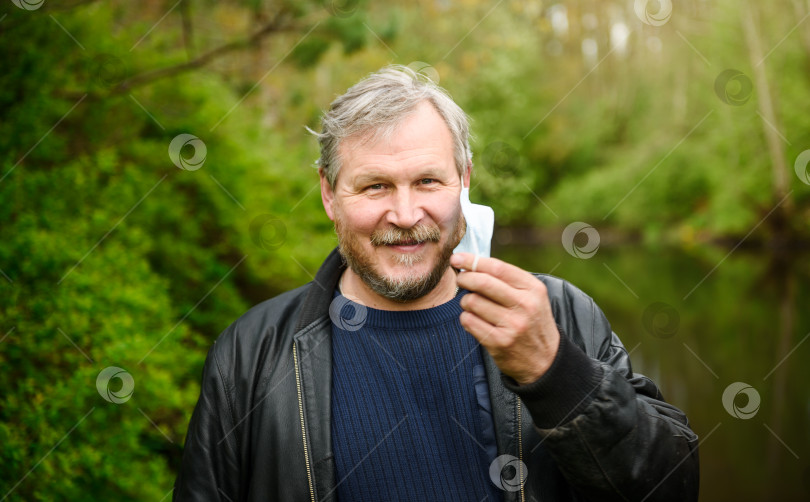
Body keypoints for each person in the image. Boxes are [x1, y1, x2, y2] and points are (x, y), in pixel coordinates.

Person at [173, 65, 699, 502]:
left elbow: (672, 487)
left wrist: (556, 373)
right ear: (329, 194)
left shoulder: (559, 314)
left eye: (428, 180)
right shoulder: (249, 354)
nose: (405, 214)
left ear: (465, 181)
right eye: (375, 185)